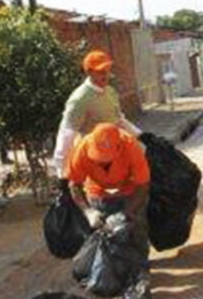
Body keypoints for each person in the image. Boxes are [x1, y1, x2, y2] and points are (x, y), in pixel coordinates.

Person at [66, 122, 151, 297]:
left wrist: (128, 212)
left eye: (107, 158)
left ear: (118, 148)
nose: (102, 161)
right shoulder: (82, 149)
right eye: (98, 158)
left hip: (129, 192)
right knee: (106, 236)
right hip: (98, 193)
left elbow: (143, 184)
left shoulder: (131, 146)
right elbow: (74, 185)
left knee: (136, 231)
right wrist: (88, 212)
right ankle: (113, 276)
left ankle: (139, 275)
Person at [53, 50, 155, 177]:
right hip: (93, 158)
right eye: (101, 72)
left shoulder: (110, 92)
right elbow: (67, 133)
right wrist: (62, 171)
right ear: (89, 72)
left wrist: (140, 135)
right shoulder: (80, 99)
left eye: (107, 71)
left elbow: (119, 120)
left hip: (115, 153)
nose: (106, 76)